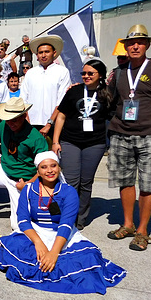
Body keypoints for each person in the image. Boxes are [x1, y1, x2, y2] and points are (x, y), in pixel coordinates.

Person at [0, 152, 127, 294]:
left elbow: (66, 224)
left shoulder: (69, 192)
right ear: (38, 171)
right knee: (16, 246)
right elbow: (23, 221)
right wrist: (39, 243)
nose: (49, 170)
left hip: (62, 235)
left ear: (59, 167)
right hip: (36, 232)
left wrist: (54, 253)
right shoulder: (28, 190)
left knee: (89, 257)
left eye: (53, 166)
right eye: (44, 167)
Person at [106, 24, 151, 251]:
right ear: (125, 46)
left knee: (148, 184)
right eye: (131, 43)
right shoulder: (118, 71)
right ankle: (128, 224)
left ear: (147, 45)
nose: (135, 46)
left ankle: (142, 230)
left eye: (140, 42)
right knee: (125, 181)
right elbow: (111, 102)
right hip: (121, 135)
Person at [51, 58, 112, 230]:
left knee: (86, 182)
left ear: (100, 75)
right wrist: (55, 141)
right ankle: (66, 215)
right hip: (70, 141)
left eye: (90, 73)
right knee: (70, 181)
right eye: (83, 73)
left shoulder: (107, 94)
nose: (86, 76)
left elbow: (112, 117)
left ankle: (81, 218)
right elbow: (61, 116)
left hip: (95, 144)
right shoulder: (74, 91)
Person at [0, 97, 49, 231]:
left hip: (22, 181)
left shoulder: (35, 137)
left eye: (14, 119)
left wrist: (27, 185)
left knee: (18, 226)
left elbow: (44, 168)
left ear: (23, 116)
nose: (10, 123)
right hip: (3, 171)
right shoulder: (4, 125)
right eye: (7, 119)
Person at [20, 35, 71, 137]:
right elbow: (23, 98)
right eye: (40, 52)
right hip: (31, 124)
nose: (43, 55)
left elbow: (61, 101)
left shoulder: (62, 72)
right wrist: (27, 120)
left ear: (54, 53)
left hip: (54, 124)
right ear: (37, 55)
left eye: (47, 52)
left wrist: (49, 123)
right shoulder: (30, 73)